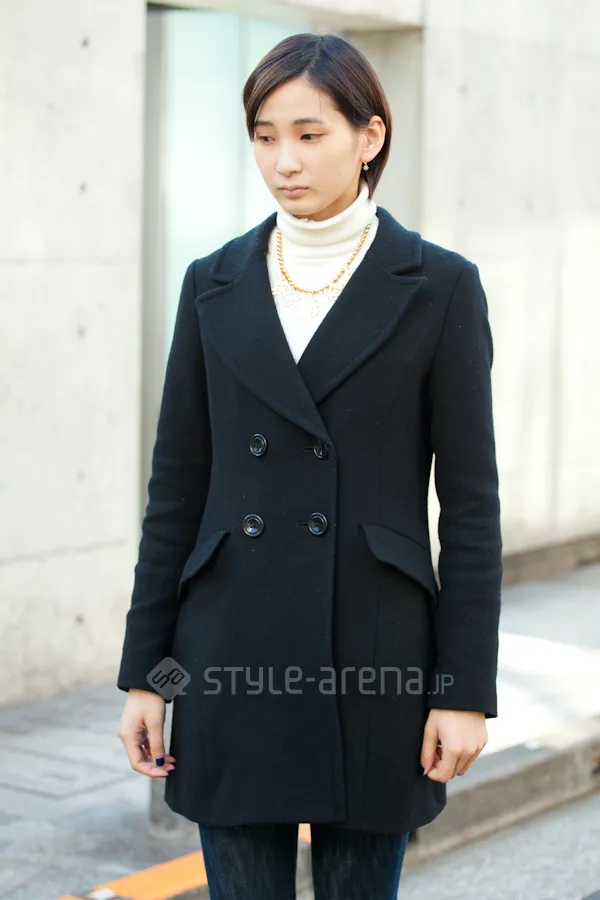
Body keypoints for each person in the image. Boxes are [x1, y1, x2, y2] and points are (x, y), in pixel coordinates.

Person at [116, 31, 503, 900]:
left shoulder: (439, 285)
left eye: (308, 134)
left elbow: (472, 507)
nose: (282, 160)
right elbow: (176, 493)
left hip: (378, 658)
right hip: (225, 656)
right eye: (263, 136)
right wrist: (149, 676)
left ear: (369, 137)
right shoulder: (212, 282)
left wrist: (462, 690)